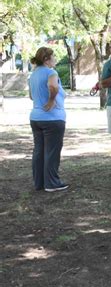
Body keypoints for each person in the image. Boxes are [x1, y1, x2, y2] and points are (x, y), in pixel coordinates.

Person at [29, 47, 68, 192]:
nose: (55, 59)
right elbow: (52, 85)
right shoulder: (51, 72)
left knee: (39, 151)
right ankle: (52, 183)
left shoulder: (33, 75)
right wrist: (52, 100)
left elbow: (31, 96)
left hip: (36, 117)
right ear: (46, 59)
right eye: (54, 56)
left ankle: (39, 183)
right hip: (52, 118)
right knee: (52, 152)